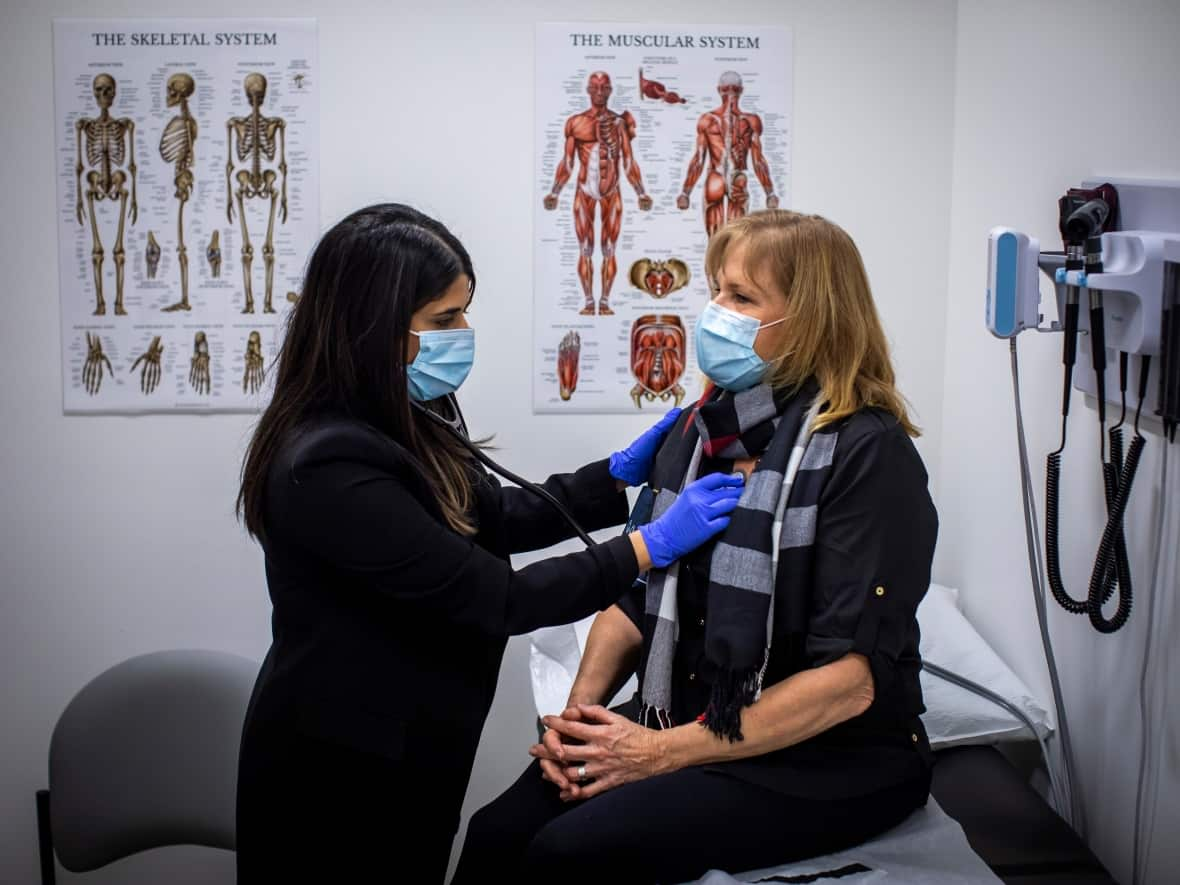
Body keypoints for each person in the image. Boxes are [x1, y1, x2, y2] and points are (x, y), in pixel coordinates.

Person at [232, 203, 745, 883]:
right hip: (341, 769)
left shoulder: (405, 408)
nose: (463, 334)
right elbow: (495, 596)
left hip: (410, 747)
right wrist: (650, 546)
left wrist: (612, 479)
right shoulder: (325, 464)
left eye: (462, 312)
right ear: (375, 328)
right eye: (444, 320)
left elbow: (486, 513)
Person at [454, 209, 939, 884]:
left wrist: (657, 753)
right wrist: (577, 721)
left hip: (825, 757)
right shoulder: (701, 432)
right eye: (715, 289)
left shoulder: (866, 453)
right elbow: (633, 603)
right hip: (689, 714)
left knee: (566, 854)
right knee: (495, 832)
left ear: (812, 318)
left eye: (741, 296)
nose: (715, 312)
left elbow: (851, 683)